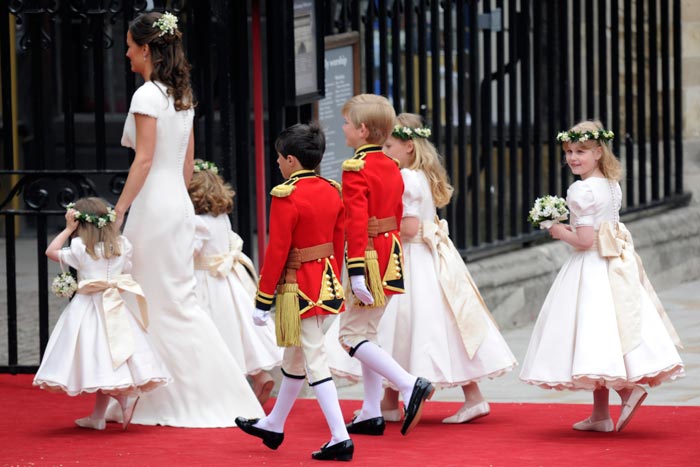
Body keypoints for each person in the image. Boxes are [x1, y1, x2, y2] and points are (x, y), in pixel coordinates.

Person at [113, 11, 263, 427]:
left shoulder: (146, 96)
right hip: (174, 203)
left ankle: (183, 395)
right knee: (175, 301)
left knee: (156, 302)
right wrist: (178, 202)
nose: (126, 53)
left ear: (147, 49)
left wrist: (120, 209)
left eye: (130, 46)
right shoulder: (181, 95)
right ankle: (185, 393)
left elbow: (143, 160)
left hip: (153, 207)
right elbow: (186, 163)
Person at [519, 120, 685, 432]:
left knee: (591, 334)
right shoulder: (611, 184)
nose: (572, 157)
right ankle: (600, 415)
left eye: (580, 151)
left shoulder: (581, 190)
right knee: (598, 338)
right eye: (569, 151)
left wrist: (557, 230)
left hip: (591, 266)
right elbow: (601, 230)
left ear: (598, 151)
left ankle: (626, 391)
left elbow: (584, 241)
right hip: (612, 265)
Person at [374, 113, 518, 424]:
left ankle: (468, 397)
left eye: (388, 146)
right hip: (430, 256)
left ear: (408, 146)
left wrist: (376, 230)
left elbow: (410, 228)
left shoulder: (407, 178)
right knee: (438, 325)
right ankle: (389, 400)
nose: (383, 152)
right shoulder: (422, 174)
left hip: (412, 258)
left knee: (406, 325)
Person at [235, 123, 354, 461]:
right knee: (296, 357)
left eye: (278, 158)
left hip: (298, 287)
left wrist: (263, 299)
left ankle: (339, 436)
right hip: (326, 281)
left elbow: (276, 251)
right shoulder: (332, 189)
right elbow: (338, 240)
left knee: (314, 357)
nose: (276, 163)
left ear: (290, 160)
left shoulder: (286, 195)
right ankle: (274, 423)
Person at [338, 94, 434, 437]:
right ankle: (370, 409)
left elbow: (356, 223)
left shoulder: (356, 168)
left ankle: (409, 384)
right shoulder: (392, 166)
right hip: (390, 253)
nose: (344, 129)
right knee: (368, 334)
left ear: (362, 130)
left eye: (347, 123)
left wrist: (356, 269)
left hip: (367, 257)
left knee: (349, 336)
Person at [33, 197, 171, 431]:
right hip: (115, 306)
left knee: (95, 357)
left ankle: (115, 403)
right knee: (111, 357)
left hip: (86, 308)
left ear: (80, 223)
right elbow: (126, 269)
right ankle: (99, 415)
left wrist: (68, 229)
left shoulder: (78, 248)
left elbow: (51, 251)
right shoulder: (121, 245)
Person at [188, 159, 282, 405]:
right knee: (239, 331)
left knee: (216, 334)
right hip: (228, 281)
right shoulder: (222, 218)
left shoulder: (197, 223)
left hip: (205, 280)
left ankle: (222, 391)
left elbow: (189, 253)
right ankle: (260, 375)